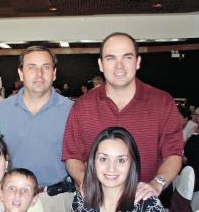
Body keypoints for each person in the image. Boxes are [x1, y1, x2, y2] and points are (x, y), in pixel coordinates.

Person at [63, 32, 183, 203]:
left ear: (138, 62)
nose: (119, 66)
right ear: (101, 64)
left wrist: (157, 184)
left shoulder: (163, 103)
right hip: (96, 204)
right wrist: (86, 183)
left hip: (146, 204)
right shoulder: (82, 106)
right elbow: (72, 156)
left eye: (127, 57)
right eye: (111, 58)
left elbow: (173, 154)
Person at [0, 46, 74, 212]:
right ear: (21, 73)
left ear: (54, 73)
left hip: (54, 202)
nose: (39, 74)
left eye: (46, 67)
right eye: (32, 67)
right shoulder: (2, 111)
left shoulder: (72, 111)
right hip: (10, 202)